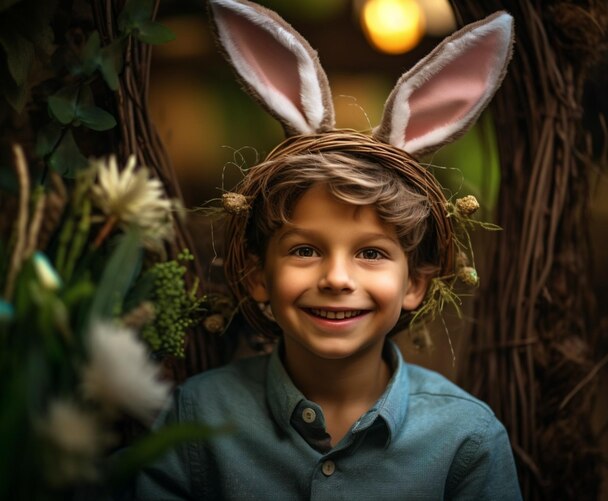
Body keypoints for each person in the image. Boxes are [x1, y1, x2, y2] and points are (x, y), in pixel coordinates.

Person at [135, 1, 522, 498]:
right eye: (303, 251)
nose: (337, 278)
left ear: (416, 284)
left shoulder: (466, 442)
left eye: (372, 253)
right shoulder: (196, 419)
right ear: (257, 276)